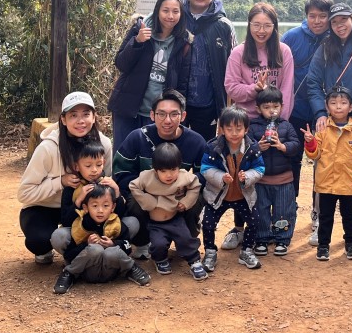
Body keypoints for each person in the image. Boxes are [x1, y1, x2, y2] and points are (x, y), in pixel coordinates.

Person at [306, 2, 352, 244]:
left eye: (344, 20)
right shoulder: (325, 49)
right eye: (335, 22)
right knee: (322, 167)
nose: (340, 26)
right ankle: (318, 221)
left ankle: (351, 228)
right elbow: (313, 82)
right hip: (327, 120)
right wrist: (320, 112)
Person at [17, 91, 112, 265]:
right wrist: (59, 182)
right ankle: (46, 248)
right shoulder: (48, 148)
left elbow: (106, 181)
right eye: (73, 115)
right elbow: (24, 193)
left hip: (84, 207)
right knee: (39, 240)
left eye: (86, 114)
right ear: (63, 119)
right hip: (47, 207)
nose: (80, 121)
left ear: (94, 117)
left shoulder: (104, 144)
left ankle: (86, 251)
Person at [112, 89, 207, 259]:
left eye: (174, 114)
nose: (167, 120)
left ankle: (187, 236)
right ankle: (142, 241)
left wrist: (184, 188)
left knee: (197, 197)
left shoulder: (195, 141)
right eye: (161, 114)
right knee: (133, 201)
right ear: (152, 115)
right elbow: (121, 172)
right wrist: (150, 190)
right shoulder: (137, 137)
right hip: (147, 194)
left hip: (178, 195)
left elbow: (205, 174)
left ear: (183, 116)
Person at [108, 0, 193, 149]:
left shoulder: (184, 42)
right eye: (165, 10)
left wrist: (177, 114)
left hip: (159, 115)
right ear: (157, 11)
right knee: (123, 154)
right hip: (129, 108)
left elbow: (182, 84)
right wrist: (137, 41)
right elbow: (121, 64)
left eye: (175, 11)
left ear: (181, 14)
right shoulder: (140, 29)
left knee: (154, 158)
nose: (170, 16)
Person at [302, 85, 352, 262]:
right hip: (326, 183)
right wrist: (310, 142)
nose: (338, 106)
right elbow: (315, 155)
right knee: (325, 216)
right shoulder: (322, 128)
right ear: (327, 107)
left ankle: (351, 244)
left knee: (349, 216)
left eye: (343, 103)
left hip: (349, 183)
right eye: (333, 103)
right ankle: (323, 246)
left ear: (351, 107)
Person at [51, 183, 152, 294]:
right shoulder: (80, 225)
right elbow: (68, 255)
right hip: (86, 271)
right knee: (95, 249)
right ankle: (69, 273)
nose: (100, 210)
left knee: (112, 251)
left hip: (111, 271)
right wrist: (86, 245)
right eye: (95, 206)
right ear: (85, 208)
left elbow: (128, 247)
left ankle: (131, 268)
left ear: (113, 207)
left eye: (105, 206)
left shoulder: (116, 224)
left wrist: (113, 243)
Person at [199, 106, 266, 272]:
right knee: (208, 223)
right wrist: (221, 177)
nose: (234, 133)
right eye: (229, 129)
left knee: (254, 221)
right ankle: (210, 252)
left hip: (243, 195)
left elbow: (260, 168)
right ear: (222, 129)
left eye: (238, 128)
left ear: (246, 129)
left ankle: (247, 250)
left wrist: (247, 176)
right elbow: (205, 168)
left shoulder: (253, 148)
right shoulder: (213, 147)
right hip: (218, 195)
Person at [128, 142, 206, 281]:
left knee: (185, 239)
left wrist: (186, 202)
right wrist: (148, 201)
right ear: (155, 170)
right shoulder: (147, 177)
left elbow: (196, 185)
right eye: (163, 171)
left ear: (179, 167)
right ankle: (160, 259)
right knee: (158, 244)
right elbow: (133, 186)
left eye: (173, 169)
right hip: (155, 223)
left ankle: (194, 261)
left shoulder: (183, 176)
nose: (169, 175)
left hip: (176, 219)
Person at [281, 0, 332, 198]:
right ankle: (290, 203)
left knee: (323, 160)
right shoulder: (291, 37)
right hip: (295, 109)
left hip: (325, 112)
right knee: (292, 157)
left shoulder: (335, 39)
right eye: (312, 16)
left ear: (329, 17)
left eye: (322, 16)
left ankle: (319, 208)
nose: (317, 21)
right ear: (306, 16)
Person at [181, 0, 236, 141]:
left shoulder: (224, 25)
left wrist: (228, 107)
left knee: (205, 148)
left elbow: (234, 65)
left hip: (208, 102)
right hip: (176, 98)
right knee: (173, 149)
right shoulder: (176, 17)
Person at [249, 86, 302, 256]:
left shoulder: (286, 125)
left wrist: (283, 146)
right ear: (258, 109)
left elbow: (296, 145)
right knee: (261, 210)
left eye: (275, 106)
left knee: (284, 210)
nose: (272, 111)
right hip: (260, 180)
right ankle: (262, 239)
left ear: (282, 107)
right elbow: (246, 147)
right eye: (266, 107)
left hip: (284, 179)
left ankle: (282, 239)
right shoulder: (253, 126)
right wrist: (257, 147)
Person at [224, 2, 295, 120]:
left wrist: (279, 122)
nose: (261, 31)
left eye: (267, 26)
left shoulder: (284, 51)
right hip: (246, 120)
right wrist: (255, 89)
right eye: (256, 25)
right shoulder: (238, 53)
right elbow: (232, 89)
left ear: (274, 26)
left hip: (275, 119)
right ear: (249, 25)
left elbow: (287, 91)